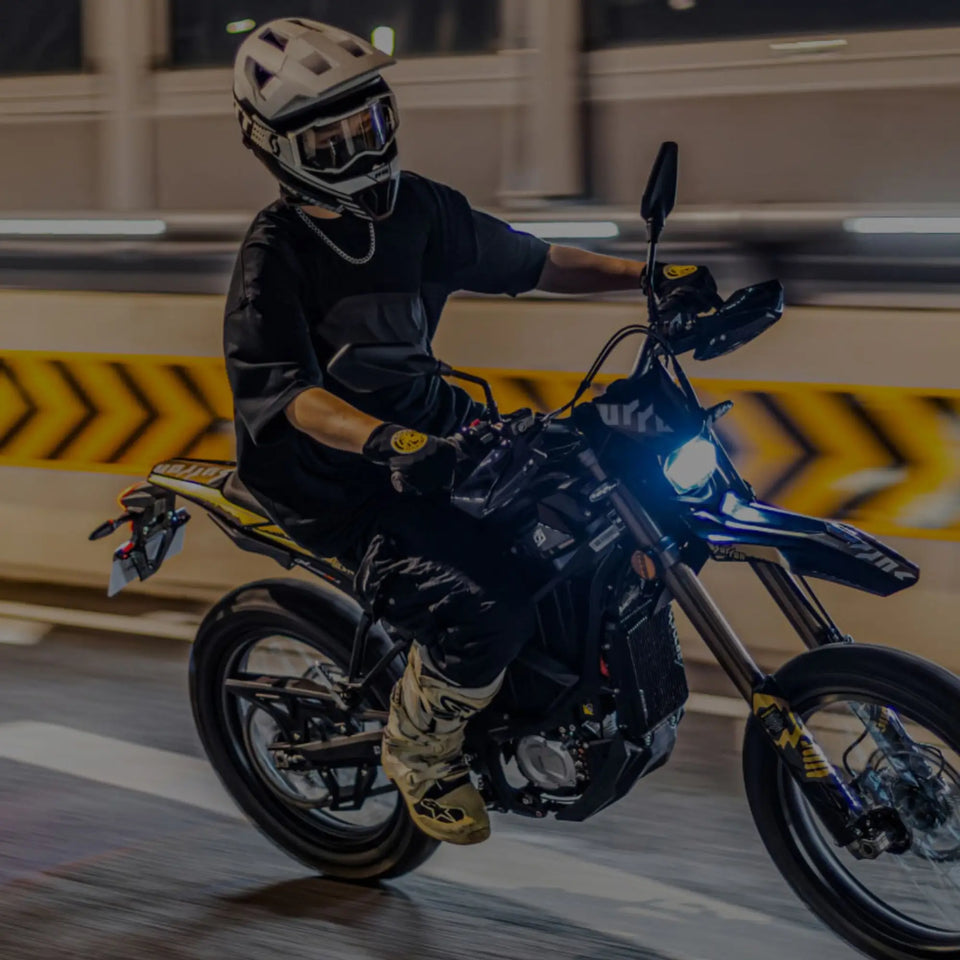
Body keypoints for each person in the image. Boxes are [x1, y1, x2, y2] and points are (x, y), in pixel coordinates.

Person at [225, 18, 718, 845]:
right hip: (336, 482)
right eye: (329, 142)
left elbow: (534, 260)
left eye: (367, 126)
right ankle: (419, 749)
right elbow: (289, 396)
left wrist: (648, 279)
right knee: (483, 609)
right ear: (275, 148)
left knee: (589, 506)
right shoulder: (275, 255)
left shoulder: (416, 208)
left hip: (436, 438)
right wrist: (385, 442)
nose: (358, 154)